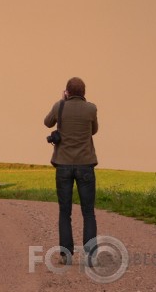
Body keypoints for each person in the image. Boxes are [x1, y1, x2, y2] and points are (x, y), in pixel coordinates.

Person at [44, 76, 99, 265]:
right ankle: (90, 255)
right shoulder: (91, 108)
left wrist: (62, 102)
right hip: (85, 164)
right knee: (88, 212)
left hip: (63, 165)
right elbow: (94, 130)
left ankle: (66, 255)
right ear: (84, 92)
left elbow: (47, 122)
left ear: (67, 91)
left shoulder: (60, 106)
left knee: (64, 211)